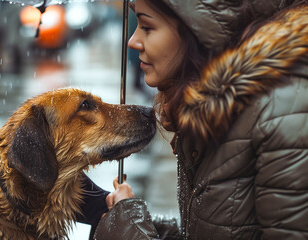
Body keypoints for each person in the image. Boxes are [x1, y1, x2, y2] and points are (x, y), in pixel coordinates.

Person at [93, 0, 308, 239]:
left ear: (196, 32)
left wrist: (128, 232)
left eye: (147, 26)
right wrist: (139, 224)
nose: (133, 41)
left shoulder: (284, 110)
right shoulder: (205, 107)